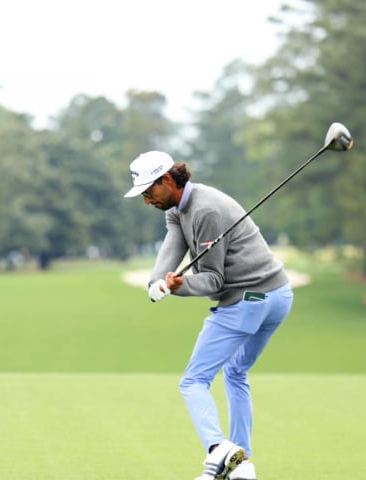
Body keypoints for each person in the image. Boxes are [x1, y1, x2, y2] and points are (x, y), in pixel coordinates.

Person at [124, 151, 294, 480]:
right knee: (235, 372)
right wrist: (156, 281)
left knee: (193, 381)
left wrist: (178, 286)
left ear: (168, 181)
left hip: (250, 299)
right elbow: (172, 246)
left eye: (149, 192)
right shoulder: (177, 209)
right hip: (277, 295)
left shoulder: (204, 210)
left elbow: (213, 280)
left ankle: (218, 451)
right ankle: (241, 464)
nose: (146, 201)